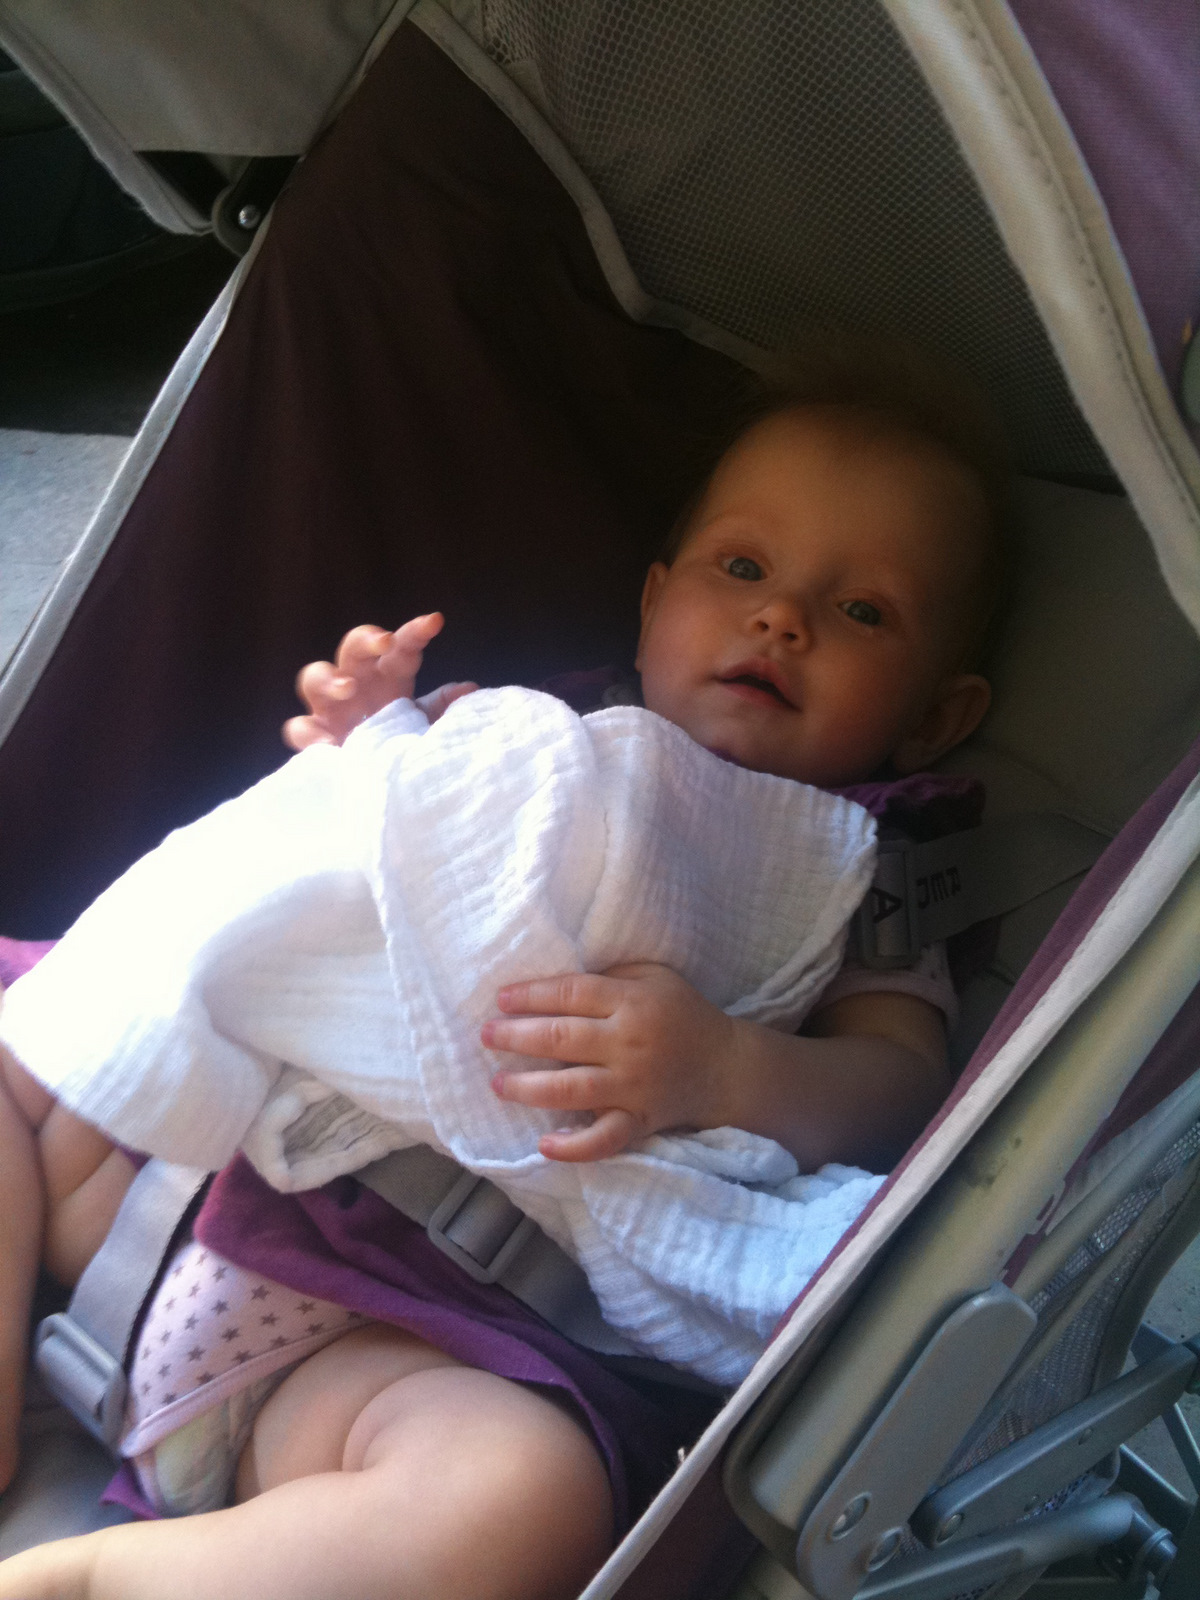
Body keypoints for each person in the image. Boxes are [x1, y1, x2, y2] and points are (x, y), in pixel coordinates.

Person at [0, 375, 1002, 1600]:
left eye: (860, 610)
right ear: (655, 601)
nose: (780, 618)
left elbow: (900, 1087)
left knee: (523, 1500)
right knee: (33, 1017)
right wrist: (373, 748)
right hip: (168, 1162)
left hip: (400, 1329)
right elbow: (337, 879)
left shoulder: (865, 869)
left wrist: (725, 1067)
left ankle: (92, 1579)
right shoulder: (540, 734)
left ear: (937, 715)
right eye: (743, 567)